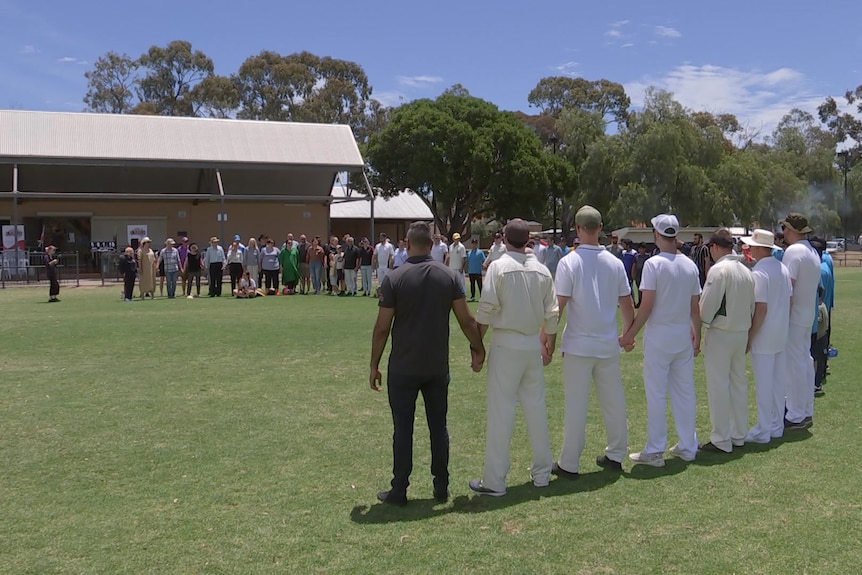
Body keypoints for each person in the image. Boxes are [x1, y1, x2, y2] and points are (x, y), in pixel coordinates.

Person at [370, 221, 485, 506]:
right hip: (436, 366)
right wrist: (478, 348)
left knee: (403, 429)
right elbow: (467, 321)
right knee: (438, 426)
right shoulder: (449, 277)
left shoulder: (394, 278)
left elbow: (382, 327)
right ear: (433, 245)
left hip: (402, 367)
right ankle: (441, 486)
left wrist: (374, 364)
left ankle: (399, 489)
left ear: (407, 245)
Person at [469, 218, 558, 496]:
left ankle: (494, 481)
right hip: (532, 343)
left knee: (501, 411)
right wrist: (549, 344)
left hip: (506, 343)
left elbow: (485, 310)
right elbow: (553, 313)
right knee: (536, 409)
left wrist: (477, 346)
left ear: (505, 239)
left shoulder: (498, 266)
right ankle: (542, 473)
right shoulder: (542, 270)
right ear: (527, 240)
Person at [552, 206, 634, 477]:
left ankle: (569, 462)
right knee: (614, 402)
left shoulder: (569, 261)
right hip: (607, 343)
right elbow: (626, 302)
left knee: (576, 405)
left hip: (578, 345)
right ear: (600, 228)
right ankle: (616, 453)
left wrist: (547, 337)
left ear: (577, 229)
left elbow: (559, 305)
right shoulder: (614, 262)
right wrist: (628, 334)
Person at [620, 214, 702, 466]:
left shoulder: (654, 265)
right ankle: (688, 445)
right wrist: (697, 335)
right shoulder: (689, 265)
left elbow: (646, 307)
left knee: (656, 393)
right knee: (684, 392)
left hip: (660, 336)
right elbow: (694, 308)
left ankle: (655, 449)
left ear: (656, 234)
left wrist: (628, 335)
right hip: (681, 335)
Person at [698, 228, 755, 453]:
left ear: (714, 247)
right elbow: (752, 305)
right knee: (738, 384)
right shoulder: (746, 270)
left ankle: (721, 438)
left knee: (719, 386)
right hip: (741, 332)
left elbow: (707, 307)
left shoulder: (718, 270)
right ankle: (738, 434)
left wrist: (700, 322)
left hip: (721, 333)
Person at [742, 230, 792, 443]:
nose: (750, 249)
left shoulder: (759, 272)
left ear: (759, 248)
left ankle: (764, 429)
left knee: (764, 383)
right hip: (781, 332)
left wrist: (750, 336)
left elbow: (760, 308)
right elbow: (789, 301)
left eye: (753, 246)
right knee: (777, 382)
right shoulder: (782, 268)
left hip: (764, 333)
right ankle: (775, 425)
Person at [780, 213, 821, 429]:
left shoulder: (794, 252)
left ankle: (795, 413)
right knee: (804, 361)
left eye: (786, 228)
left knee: (794, 363)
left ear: (793, 230)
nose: (784, 232)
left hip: (794, 315)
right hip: (806, 314)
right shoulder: (812, 252)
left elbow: (788, 287)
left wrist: (781, 317)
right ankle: (805, 408)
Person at [633, 242, 649, 308]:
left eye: (641, 248)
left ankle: (645, 302)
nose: (640, 250)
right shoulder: (636, 256)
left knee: (645, 289)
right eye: (639, 249)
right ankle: (639, 301)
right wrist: (633, 273)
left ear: (644, 249)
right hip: (638, 274)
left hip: (645, 274)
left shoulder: (648, 256)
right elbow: (634, 265)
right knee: (639, 289)